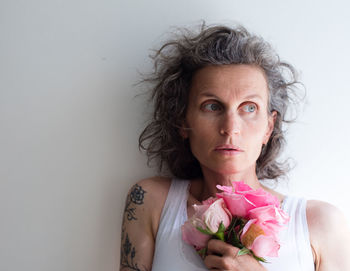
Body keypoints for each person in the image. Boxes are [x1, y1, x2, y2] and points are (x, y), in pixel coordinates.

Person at [119, 23, 350, 271]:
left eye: (249, 108)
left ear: (269, 127)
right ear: (183, 122)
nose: (230, 128)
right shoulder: (150, 201)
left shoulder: (321, 223)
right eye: (212, 106)